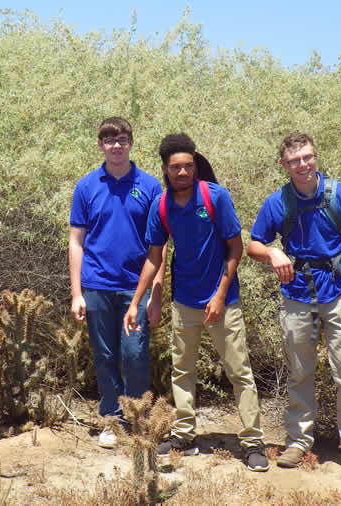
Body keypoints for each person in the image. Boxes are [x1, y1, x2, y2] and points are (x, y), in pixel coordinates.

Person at [124, 134, 268, 472]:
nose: (183, 172)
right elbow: (153, 257)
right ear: (165, 169)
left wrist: (220, 295)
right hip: (184, 302)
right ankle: (185, 435)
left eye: (188, 165)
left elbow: (235, 249)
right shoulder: (161, 205)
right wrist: (138, 301)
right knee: (182, 370)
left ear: (195, 165)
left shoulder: (214, 197)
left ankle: (252, 442)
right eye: (176, 167)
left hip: (223, 301)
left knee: (239, 372)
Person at [247, 132, 341, 480]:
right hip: (297, 294)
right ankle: (298, 442)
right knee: (299, 372)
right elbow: (253, 244)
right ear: (284, 165)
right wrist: (273, 251)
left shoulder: (340, 194)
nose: (303, 165)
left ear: (315, 156)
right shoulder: (277, 202)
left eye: (307, 157)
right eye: (294, 161)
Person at [69, 117, 165, 449]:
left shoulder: (150, 186)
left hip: (135, 288)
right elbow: (76, 241)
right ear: (100, 145)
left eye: (122, 139)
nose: (116, 145)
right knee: (105, 355)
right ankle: (111, 419)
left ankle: (137, 420)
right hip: (96, 284)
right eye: (109, 139)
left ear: (132, 143)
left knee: (135, 354)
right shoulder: (86, 186)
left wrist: (156, 294)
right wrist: (76, 293)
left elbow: (159, 246)